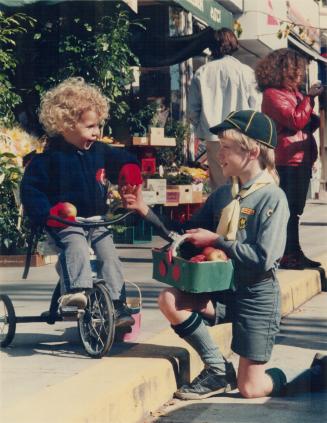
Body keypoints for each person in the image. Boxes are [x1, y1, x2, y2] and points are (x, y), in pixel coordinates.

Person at [122, 110, 291, 399]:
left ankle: (299, 376)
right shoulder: (224, 194)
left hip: (256, 297)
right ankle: (216, 370)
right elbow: (185, 232)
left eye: (226, 147)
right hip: (223, 290)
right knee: (169, 299)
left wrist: (218, 241)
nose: (219, 153)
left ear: (251, 151)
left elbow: (264, 258)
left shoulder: (272, 197)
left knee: (250, 388)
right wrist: (144, 210)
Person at [20, 77, 142, 326]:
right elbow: (31, 190)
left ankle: (117, 304)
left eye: (98, 126)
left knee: (109, 255)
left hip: (95, 220)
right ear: (66, 126)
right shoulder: (49, 158)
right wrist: (48, 212)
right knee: (75, 245)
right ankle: (76, 292)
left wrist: (129, 169)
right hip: (64, 221)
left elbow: (123, 157)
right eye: (90, 127)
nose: (97, 132)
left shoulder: (99, 151)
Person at [255, 48, 323, 269]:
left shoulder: (294, 94)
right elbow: (296, 120)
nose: (301, 73)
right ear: (284, 69)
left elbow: (307, 122)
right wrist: (310, 98)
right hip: (286, 160)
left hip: (300, 159)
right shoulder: (273, 95)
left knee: (295, 211)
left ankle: (294, 251)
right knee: (289, 210)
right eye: (298, 69)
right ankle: (287, 254)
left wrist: (312, 102)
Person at [187, 27, 261, 190]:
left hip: (214, 136)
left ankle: (222, 215)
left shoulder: (202, 72)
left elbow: (192, 111)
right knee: (243, 183)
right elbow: (255, 107)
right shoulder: (246, 72)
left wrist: (202, 130)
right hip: (241, 135)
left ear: (212, 47)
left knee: (220, 187)